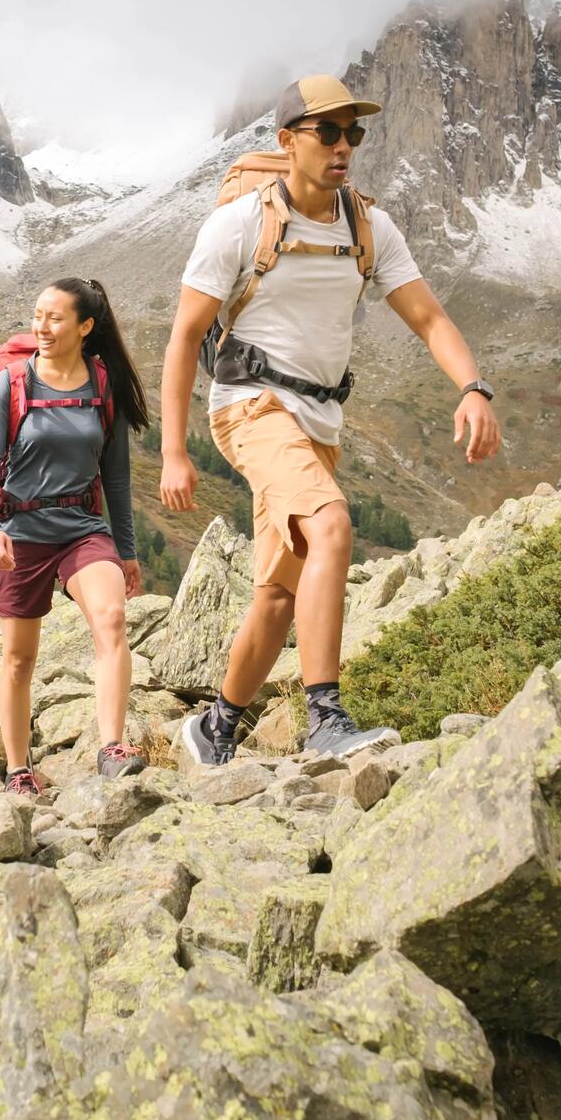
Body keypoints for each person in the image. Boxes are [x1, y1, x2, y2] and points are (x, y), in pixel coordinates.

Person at [160, 74, 502, 765]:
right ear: (288, 142)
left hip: (319, 420)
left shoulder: (369, 226)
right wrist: (174, 451)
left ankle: (216, 726)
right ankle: (326, 719)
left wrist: (473, 388)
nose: (345, 146)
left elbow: (429, 316)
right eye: (328, 132)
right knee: (333, 525)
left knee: (280, 592)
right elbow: (182, 337)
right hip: (249, 406)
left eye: (354, 133)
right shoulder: (237, 225)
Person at [0, 279, 148, 795]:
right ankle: (18, 770)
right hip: (20, 532)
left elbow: (116, 476)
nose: (42, 327)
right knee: (20, 658)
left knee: (112, 619)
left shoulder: (101, 384)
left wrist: (128, 551)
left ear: (85, 327)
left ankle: (112, 747)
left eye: (55, 318)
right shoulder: (13, 382)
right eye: (37, 316)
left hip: (82, 528)